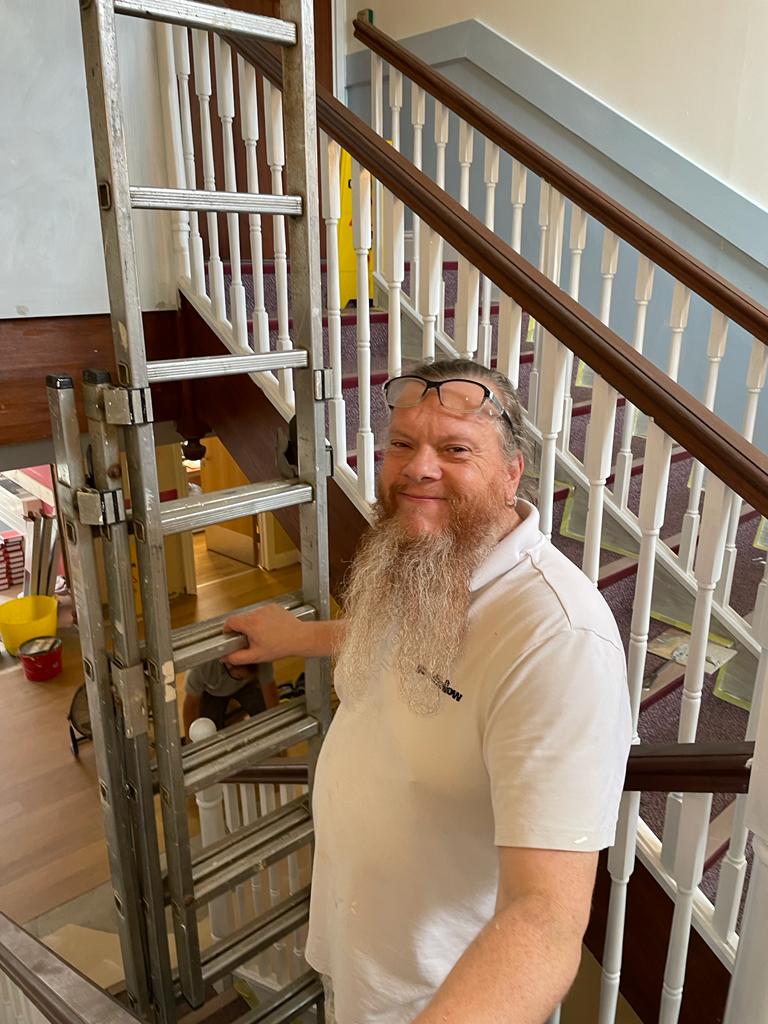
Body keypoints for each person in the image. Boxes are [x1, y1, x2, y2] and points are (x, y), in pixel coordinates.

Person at [224, 359, 632, 1024]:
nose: (419, 468)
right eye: (403, 445)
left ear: (510, 475)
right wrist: (297, 638)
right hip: (363, 955)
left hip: (442, 997)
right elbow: (394, 638)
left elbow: (547, 917)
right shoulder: (430, 557)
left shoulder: (558, 640)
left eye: (455, 448)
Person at [182, 658, 274, 737]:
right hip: (212, 692)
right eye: (239, 676)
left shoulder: (260, 657)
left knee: (262, 709)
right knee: (206, 730)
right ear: (229, 664)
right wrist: (190, 741)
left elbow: (269, 687)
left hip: (247, 686)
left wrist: (274, 724)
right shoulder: (200, 666)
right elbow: (190, 705)